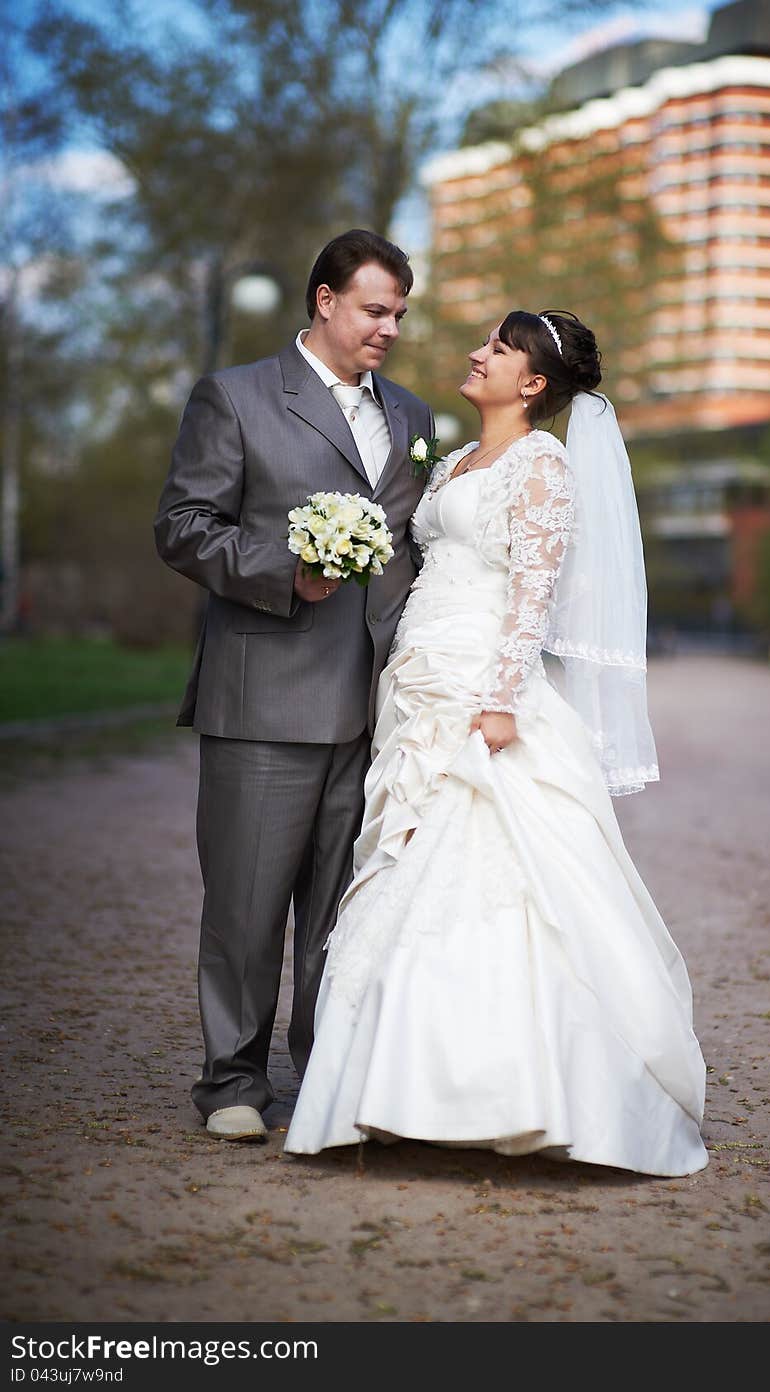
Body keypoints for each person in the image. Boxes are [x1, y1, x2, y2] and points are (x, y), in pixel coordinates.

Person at [285, 309, 708, 1176]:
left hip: (483, 693)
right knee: (405, 859)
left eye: (500, 350)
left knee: (491, 868)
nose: (477, 355)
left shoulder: (541, 465)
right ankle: (389, 1093)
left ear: (534, 384)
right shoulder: (448, 465)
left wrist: (503, 698)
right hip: (416, 682)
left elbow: (536, 590)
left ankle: (513, 1092)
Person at [155, 229, 434, 1141]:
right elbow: (185, 526)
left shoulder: (415, 418)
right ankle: (231, 1082)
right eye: (373, 308)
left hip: (375, 705)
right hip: (265, 690)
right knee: (245, 903)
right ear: (324, 301)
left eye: (399, 312)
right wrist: (286, 566)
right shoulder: (235, 397)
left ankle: (323, 1077)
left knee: (340, 910)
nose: (389, 327)